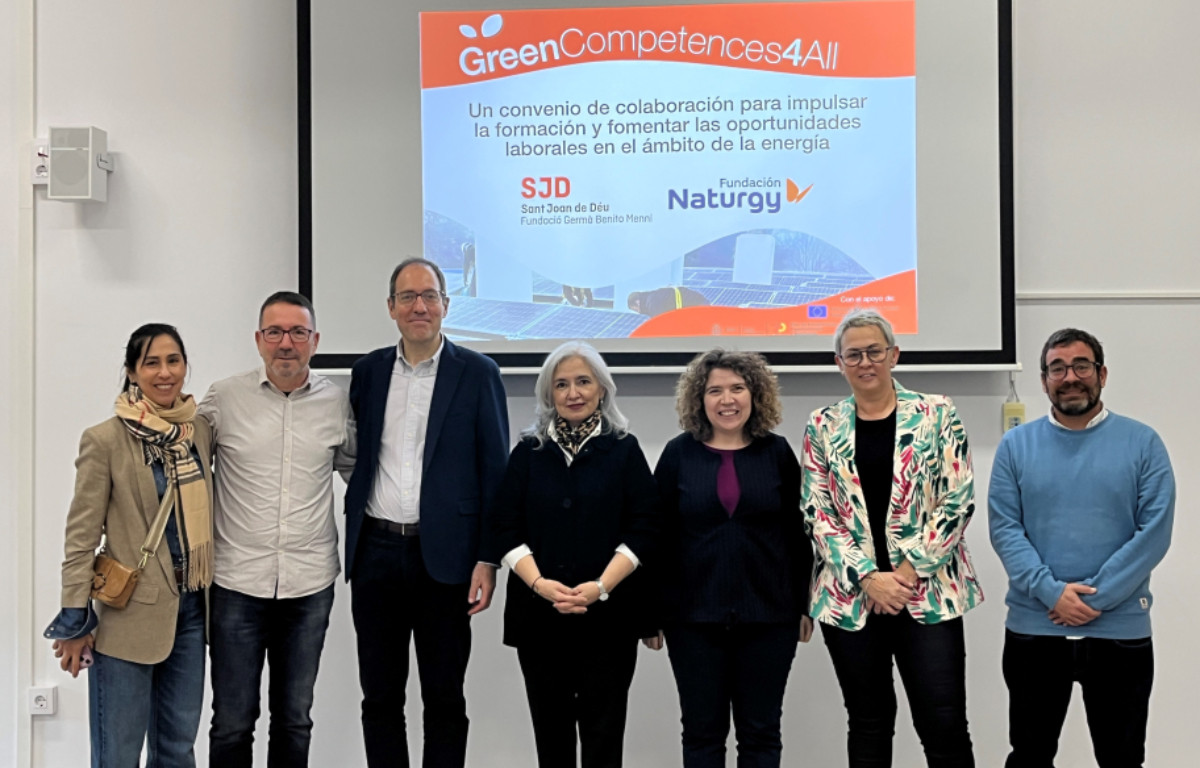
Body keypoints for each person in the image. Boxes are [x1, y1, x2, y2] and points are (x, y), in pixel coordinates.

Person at [343, 257, 510, 767]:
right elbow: (358, 457)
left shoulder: (478, 373)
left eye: (429, 296)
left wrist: (488, 559)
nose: (420, 306)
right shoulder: (368, 372)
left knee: (444, 698)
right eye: (408, 297)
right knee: (379, 698)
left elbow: (495, 473)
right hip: (375, 555)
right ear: (391, 307)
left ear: (445, 305)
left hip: (447, 560)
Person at [801, 309, 982, 768]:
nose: (865, 362)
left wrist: (906, 573)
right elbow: (816, 511)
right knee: (868, 723)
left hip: (928, 592)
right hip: (851, 598)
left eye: (874, 352)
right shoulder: (822, 424)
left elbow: (957, 499)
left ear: (894, 355)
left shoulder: (937, 413)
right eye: (853, 355)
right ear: (839, 363)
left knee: (944, 725)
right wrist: (868, 577)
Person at [988, 328, 1174, 768]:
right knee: (1029, 757)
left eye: (1081, 366)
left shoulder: (1143, 443)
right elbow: (1005, 528)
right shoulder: (1015, 446)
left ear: (1102, 374)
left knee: (1122, 758)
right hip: (1035, 630)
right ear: (1043, 381)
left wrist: (1095, 598)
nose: (1070, 377)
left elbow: (1154, 532)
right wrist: (1052, 593)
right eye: (1057, 368)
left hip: (1120, 633)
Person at [45, 323, 213, 766]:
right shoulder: (104, 440)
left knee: (177, 752)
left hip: (192, 611)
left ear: (185, 366)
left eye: (173, 360)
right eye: (151, 363)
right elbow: (81, 537)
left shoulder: (198, 430)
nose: (165, 372)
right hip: (128, 617)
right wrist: (75, 621)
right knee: (118, 755)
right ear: (132, 372)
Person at [199, 291, 355, 767]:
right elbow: (183, 462)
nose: (286, 343)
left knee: (294, 719)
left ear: (315, 340)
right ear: (258, 339)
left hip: (308, 586)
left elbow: (361, 474)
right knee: (232, 721)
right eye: (275, 332)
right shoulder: (223, 398)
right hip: (236, 584)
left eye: (298, 332)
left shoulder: (337, 403)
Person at [492, 341, 660, 768]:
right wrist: (539, 585)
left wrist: (601, 587)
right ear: (549, 394)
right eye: (561, 384)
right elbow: (505, 527)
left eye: (583, 382)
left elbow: (644, 527)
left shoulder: (624, 449)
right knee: (552, 736)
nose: (573, 393)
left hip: (610, 618)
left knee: (604, 736)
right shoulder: (528, 452)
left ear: (602, 389)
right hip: (539, 617)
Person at [653, 348, 813, 768]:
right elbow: (657, 539)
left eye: (737, 388)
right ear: (699, 399)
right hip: (692, 620)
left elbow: (799, 536)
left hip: (769, 617)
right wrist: (650, 615)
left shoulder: (777, 453)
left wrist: (804, 604)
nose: (727, 399)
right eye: (715, 390)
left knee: (761, 733)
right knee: (701, 735)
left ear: (755, 394)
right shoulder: (677, 454)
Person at [626, 286, 709, 316]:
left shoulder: (652, 303)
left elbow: (660, 323)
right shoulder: (653, 298)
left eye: (635, 309)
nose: (638, 312)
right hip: (698, 304)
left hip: (698, 305)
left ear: (637, 302)